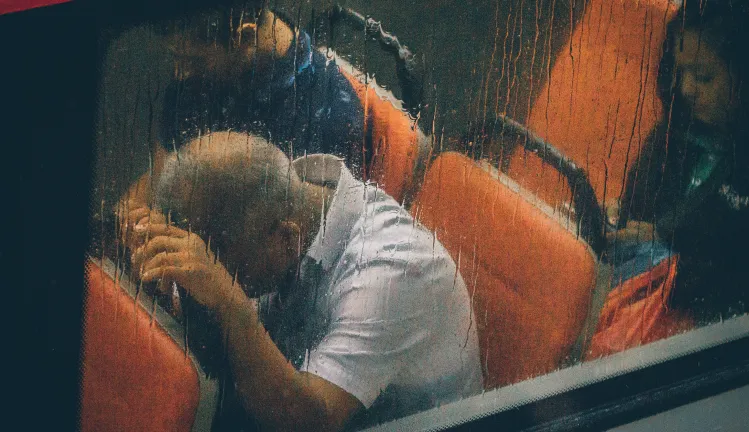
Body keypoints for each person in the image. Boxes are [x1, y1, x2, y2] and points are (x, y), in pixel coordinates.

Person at [126, 131, 482, 430]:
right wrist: (168, 277)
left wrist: (230, 303)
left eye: (225, 267)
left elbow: (311, 420)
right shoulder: (278, 209)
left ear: (286, 239)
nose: (214, 271)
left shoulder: (394, 272)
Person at [602, 0, 749, 329]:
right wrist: (616, 217)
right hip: (634, 299)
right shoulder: (676, 131)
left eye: (704, 78)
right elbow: (637, 205)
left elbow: (743, 273)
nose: (686, 88)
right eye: (680, 72)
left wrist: (665, 245)